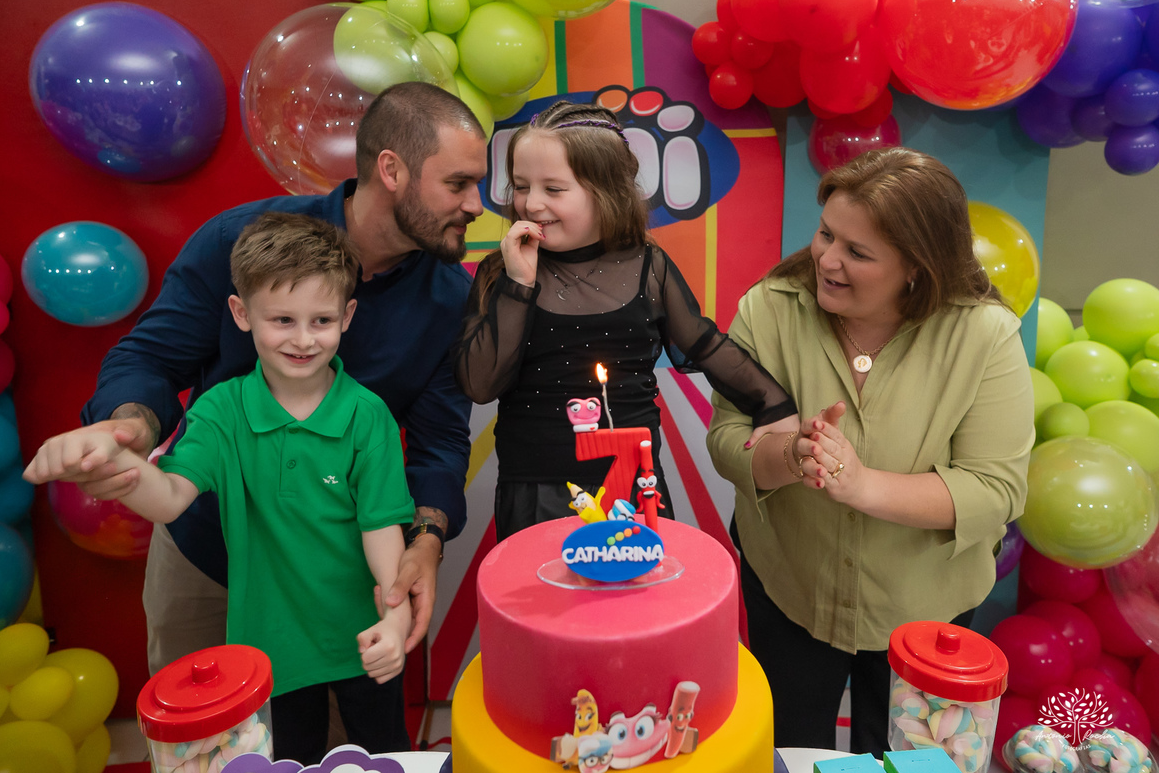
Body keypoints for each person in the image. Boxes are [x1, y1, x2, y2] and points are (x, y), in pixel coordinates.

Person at [59, 82, 486, 680]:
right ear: (392, 170)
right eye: (459, 183)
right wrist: (128, 426)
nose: (477, 204)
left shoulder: (452, 300)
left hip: (341, 576)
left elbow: (440, 444)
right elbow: (152, 360)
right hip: (210, 557)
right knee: (203, 744)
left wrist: (427, 540)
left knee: (337, 754)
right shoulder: (239, 241)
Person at [26, 213, 415, 762]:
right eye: (282, 319)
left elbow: (381, 526)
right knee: (289, 758)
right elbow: (169, 498)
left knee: (387, 752)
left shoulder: (367, 415)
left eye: (321, 320)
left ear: (347, 316)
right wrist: (117, 462)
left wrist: (397, 617)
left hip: (366, 640)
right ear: (240, 313)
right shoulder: (220, 412)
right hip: (271, 652)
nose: (303, 339)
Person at [706, 147, 1033, 754]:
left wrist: (862, 485)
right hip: (788, 586)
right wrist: (787, 456)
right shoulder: (769, 308)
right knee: (787, 750)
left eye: (857, 252)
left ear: (917, 266)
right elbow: (728, 437)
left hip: (926, 611)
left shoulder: (984, 335)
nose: (827, 260)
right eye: (826, 233)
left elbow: (998, 490)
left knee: (903, 763)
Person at [453, 100, 797, 540]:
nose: (531, 203)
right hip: (536, 487)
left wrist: (774, 404)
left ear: (606, 191)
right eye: (520, 186)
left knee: (637, 605)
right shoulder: (500, 273)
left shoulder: (647, 265)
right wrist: (519, 284)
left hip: (635, 487)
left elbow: (703, 343)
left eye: (554, 189)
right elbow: (479, 385)